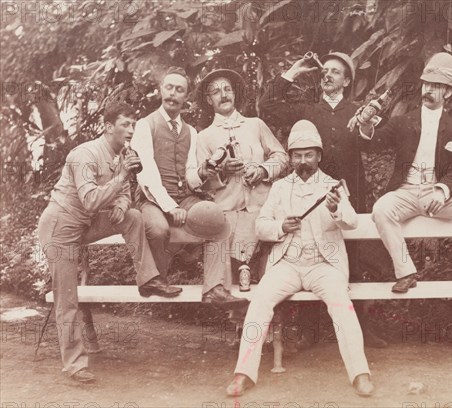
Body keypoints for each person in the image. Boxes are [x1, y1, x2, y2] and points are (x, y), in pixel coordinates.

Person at [225, 120, 374, 398]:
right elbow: (261, 226)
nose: (303, 161)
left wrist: (336, 210)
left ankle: (360, 373)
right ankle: (243, 373)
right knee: (259, 301)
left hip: (324, 265)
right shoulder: (280, 188)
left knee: (342, 305)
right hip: (288, 265)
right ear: (291, 157)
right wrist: (281, 227)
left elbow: (352, 221)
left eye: (309, 154)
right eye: (297, 155)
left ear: (318, 155)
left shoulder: (333, 186)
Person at [38, 102, 182, 383]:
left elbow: (126, 191)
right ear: (108, 127)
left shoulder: (124, 154)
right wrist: (120, 180)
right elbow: (91, 199)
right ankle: (75, 365)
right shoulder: (84, 154)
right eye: (125, 124)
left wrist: (121, 202)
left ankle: (149, 279)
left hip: (86, 223)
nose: (131, 130)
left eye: (133, 124)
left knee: (132, 216)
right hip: (61, 226)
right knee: (67, 300)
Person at [357, 52, 452, 297]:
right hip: (406, 194)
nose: (428, 90)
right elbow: (372, 144)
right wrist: (366, 125)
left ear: (448, 93)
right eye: (426, 84)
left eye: (436, 86)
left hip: (438, 196)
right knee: (381, 209)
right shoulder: (402, 122)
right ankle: (406, 272)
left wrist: (442, 190)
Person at [259, 51, 388, 348]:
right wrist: (293, 70)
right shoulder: (307, 110)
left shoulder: (358, 111)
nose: (327, 75)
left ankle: (361, 329)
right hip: (307, 198)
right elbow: (267, 106)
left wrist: (367, 125)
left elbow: (377, 141)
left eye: (335, 72)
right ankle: (309, 331)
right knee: (308, 253)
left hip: (348, 196)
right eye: (324, 70)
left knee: (353, 262)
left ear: (347, 81)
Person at [131, 67, 244, 305]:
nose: (173, 94)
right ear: (160, 89)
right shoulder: (145, 125)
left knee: (217, 219)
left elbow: (190, 175)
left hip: (183, 197)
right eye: (169, 87)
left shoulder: (191, 132)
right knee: (159, 228)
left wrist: (202, 174)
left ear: (186, 97)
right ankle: (155, 280)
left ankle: (214, 288)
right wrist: (170, 207)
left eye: (179, 90)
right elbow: (146, 174)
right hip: (152, 199)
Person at [186, 69, 288, 292]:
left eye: (227, 89)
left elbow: (281, 157)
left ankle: (271, 325)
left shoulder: (255, 125)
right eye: (215, 91)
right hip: (227, 215)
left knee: (270, 278)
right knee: (229, 284)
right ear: (208, 99)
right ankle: (238, 324)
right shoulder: (204, 137)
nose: (223, 95)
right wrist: (221, 171)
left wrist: (262, 170)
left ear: (235, 94)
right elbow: (198, 183)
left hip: (262, 210)